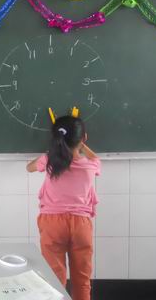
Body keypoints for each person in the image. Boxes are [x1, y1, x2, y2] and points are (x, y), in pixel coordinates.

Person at [26, 116, 100, 300]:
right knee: (82, 280)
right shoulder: (91, 165)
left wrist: (52, 151)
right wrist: (81, 145)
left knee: (54, 279)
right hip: (81, 225)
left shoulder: (49, 161)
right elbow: (95, 157)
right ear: (83, 138)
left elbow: (29, 167)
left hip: (52, 224)